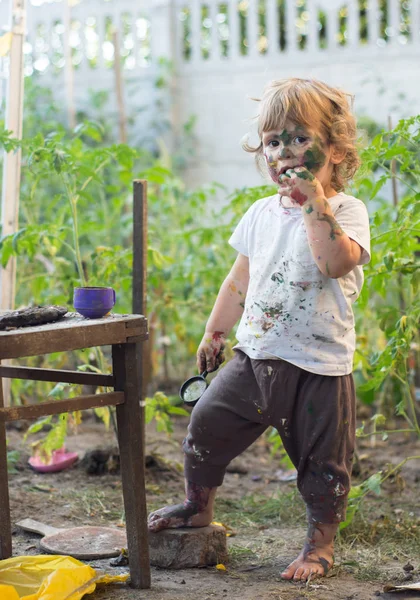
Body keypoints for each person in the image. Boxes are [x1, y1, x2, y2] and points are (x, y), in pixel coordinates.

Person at [148, 78, 371, 582]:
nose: (284, 153)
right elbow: (238, 279)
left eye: (299, 139)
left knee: (324, 465)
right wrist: (214, 333)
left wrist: (314, 201)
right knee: (205, 424)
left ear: (333, 152)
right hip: (256, 357)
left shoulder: (347, 212)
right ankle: (197, 504)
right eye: (274, 142)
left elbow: (335, 263)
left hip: (319, 366)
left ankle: (320, 545)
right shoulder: (260, 214)